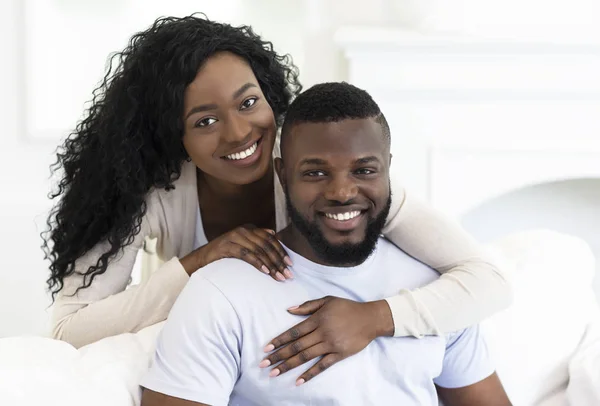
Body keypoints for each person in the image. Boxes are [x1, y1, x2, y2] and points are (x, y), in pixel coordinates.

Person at [44, 14, 511, 377]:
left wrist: (376, 319)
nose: (239, 132)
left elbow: (489, 279)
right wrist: (196, 263)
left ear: (270, 95)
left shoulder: (321, 176)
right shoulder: (157, 192)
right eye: (205, 121)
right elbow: (67, 330)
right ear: (172, 135)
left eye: (249, 103)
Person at [139, 82, 512, 406]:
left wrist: (375, 318)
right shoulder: (221, 294)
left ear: (388, 169)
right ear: (283, 176)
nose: (341, 192)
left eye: (364, 170)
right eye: (315, 173)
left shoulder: (439, 292)